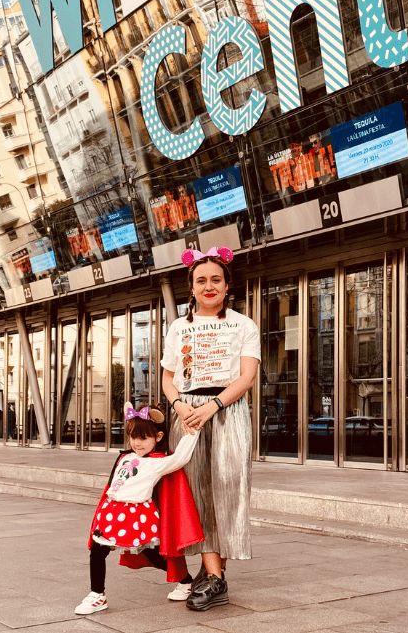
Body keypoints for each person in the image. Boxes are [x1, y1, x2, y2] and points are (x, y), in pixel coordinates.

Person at [161, 246, 261, 612]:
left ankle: (214, 573)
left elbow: (247, 376)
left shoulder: (243, 325)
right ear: (191, 287)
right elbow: (168, 377)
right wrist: (180, 405)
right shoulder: (179, 327)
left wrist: (213, 405)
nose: (208, 285)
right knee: (193, 493)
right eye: (200, 280)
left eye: (215, 279)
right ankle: (214, 576)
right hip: (187, 413)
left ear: (226, 285)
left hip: (227, 412)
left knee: (228, 489)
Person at [75, 402, 203, 615]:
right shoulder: (125, 457)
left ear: (158, 437)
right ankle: (97, 595)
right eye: (133, 437)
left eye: (143, 438)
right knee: (97, 551)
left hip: (138, 516)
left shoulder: (157, 463)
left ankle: (186, 582)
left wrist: (193, 429)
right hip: (111, 512)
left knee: (152, 554)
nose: (137, 443)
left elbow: (181, 457)